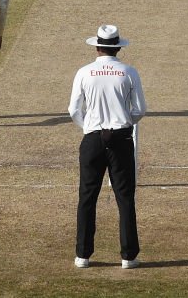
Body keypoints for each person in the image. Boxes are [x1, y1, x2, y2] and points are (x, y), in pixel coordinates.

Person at [68, 25, 146, 269]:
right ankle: (128, 257)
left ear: (97, 46)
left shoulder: (84, 72)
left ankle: (82, 256)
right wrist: (123, 125)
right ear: (118, 48)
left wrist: (90, 129)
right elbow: (139, 110)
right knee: (125, 197)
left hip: (92, 138)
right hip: (121, 139)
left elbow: (73, 110)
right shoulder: (128, 72)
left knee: (87, 197)